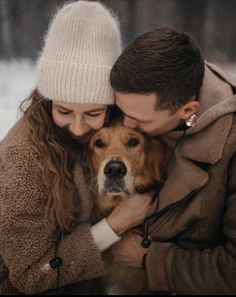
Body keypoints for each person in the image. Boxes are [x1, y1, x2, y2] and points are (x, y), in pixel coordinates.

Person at [0, 1, 155, 295]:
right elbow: (30, 275)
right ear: (47, 100)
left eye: (94, 113)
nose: (79, 127)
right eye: (64, 111)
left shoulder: (118, 129)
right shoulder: (22, 157)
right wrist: (114, 227)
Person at [109, 27, 236, 294]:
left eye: (138, 120)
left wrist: (150, 259)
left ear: (188, 111)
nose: (125, 124)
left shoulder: (230, 148)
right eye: (120, 111)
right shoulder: (140, 96)